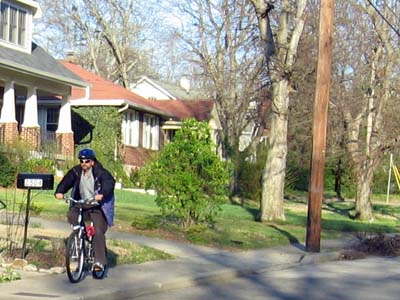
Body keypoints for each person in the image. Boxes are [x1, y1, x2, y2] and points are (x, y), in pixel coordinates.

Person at [55, 148, 115, 273]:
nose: (84, 164)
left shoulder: (101, 172)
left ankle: (99, 262)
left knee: (98, 232)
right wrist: (60, 191)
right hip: (82, 204)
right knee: (72, 213)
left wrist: (102, 194)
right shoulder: (76, 171)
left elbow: (109, 183)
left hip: (97, 206)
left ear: (92, 162)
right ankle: (78, 232)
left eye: (87, 161)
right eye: (82, 161)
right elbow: (66, 181)